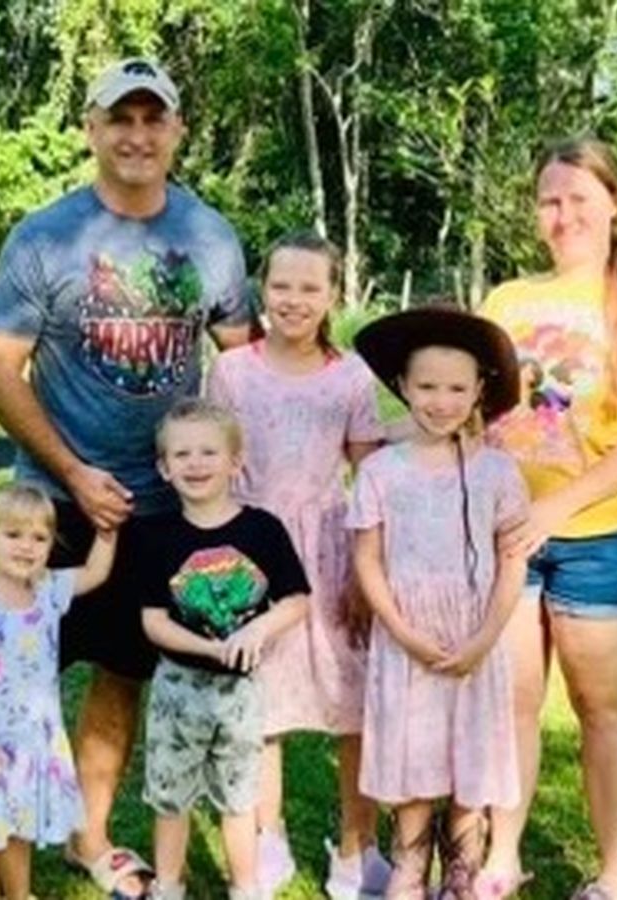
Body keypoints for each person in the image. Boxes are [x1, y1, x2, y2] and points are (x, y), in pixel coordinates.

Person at [0, 57, 255, 897]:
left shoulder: (211, 238)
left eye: (152, 118)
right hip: (53, 505)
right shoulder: (45, 237)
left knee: (121, 677)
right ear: (91, 129)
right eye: (119, 119)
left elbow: (244, 364)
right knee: (11, 680)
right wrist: (72, 469)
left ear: (177, 130)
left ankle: (87, 839)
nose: (137, 135)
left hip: (162, 507)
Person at [479, 137, 617, 900]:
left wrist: (558, 507)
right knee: (510, 706)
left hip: (604, 543)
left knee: (602, 711)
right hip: (509, 535)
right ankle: (501, 858)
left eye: (578, 198)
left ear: (614, 205)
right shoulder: (505, 301)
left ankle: (612, 875)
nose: (563, 214)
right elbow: (472, 409)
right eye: (549, 200)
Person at [206, 230, 391, 899]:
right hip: (254, 550)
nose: (293, 299)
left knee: (355, 703)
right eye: (281, 285)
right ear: (262, 288)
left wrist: (371, 569)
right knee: (260, 704)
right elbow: (214, 462)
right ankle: (268, 839)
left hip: (331, 552)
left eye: (310, 287)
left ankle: (356, 851)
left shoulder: (350, 375)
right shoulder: (233, 371)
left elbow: (369, 476)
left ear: (332, 295)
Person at [347, 307, 530, 899]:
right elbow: (368, 559)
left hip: (475, 635)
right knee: (413, 753)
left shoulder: (498, 472)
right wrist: (401, 631)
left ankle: (463, 870)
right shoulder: (381, 471)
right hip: (407, 636)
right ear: (403, 385)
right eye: (427, 386)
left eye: (456, 388)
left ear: (479, 389)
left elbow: (512, 560)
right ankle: (409, 869)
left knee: (470, 750)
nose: (442, 401)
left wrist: (485, 639)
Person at [135, 399, 310, 900]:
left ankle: (246, 886)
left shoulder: (262, 529)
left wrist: (257, 632)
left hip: (241, 693)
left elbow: (297, 600)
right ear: (164, 468)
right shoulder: (155, 536)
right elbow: (153, 622)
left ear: (236, 462)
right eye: (182, 454)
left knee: (239, 799)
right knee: (170, 799)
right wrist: (208, 649)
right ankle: (169, 886)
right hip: (177, 689)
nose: (195, 463)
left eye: (209, 452)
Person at [0, 482, 116, 900]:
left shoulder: (47, 591)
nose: (27, 546)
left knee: (19, 825)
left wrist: (107, 534)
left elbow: (95, 574)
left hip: (33, 743)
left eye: (39, 537)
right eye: (13, 534)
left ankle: (20, 893)